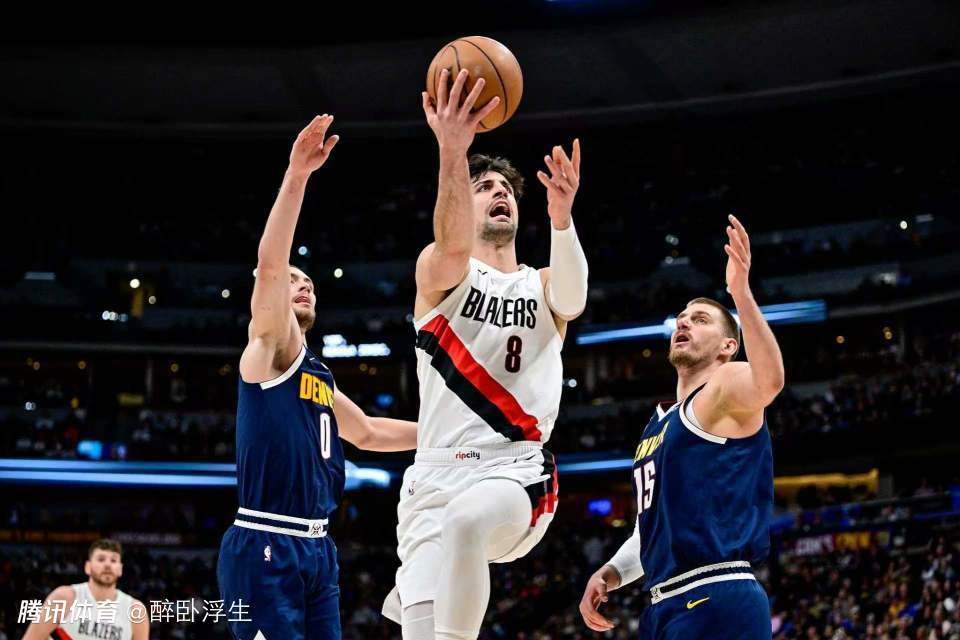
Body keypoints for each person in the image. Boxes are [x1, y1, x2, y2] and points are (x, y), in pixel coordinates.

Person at [382, 69, 590, 640]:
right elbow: (450, 245)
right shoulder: (439, 274)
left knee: (468, 520)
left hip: (514, 468)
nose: (499, 193)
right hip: (433, 474)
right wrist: (452, 150)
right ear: (460, 203)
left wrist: (562, 219)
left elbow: (574, 298)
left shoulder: (541, 283)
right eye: (484, 187)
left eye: (506, 189)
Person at [216, 115, 418, 640]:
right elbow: (270, 263)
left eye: (309, 282)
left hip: (318, 548)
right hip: (265, 542)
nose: (303, 285)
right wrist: (297, 175)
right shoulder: (268, 350)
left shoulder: (318, 374)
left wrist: (458, 435)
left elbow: (368, 432)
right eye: (293, 281)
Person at [579, 216, 783, 640]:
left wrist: (741, 295)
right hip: (663, 604)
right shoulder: (656, 425)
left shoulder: (725, 386)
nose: (684, 323)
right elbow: (652, 528)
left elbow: (770, 381)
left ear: (729, 346)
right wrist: (612, 572)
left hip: (718, 591)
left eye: (701, 319)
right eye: (683, 317)